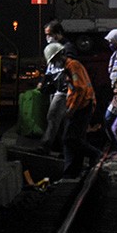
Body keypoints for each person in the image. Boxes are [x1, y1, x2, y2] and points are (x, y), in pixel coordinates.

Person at [45, 43, 101, 179]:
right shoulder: (68, 68)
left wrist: (71, 109)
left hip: (82, 107)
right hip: (80, 106)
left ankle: (95, 154)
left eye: (53, 61)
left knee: (69, 139)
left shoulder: (72, 66)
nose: (53, 64)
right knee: (73, 140)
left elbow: (80, 89)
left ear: (59, 56)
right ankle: (71, 172)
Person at [37, 21, 77, 153]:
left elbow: (68, 68)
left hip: (63, 89)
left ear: (58, 33)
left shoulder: (67, 48)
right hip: (56, 88)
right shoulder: (54, 47)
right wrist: (43, 81)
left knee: (53, 116)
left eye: (49, 34)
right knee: (58, 120)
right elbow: (50, 69)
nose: (47, 38)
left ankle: (46, 145)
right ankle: (60, 147)